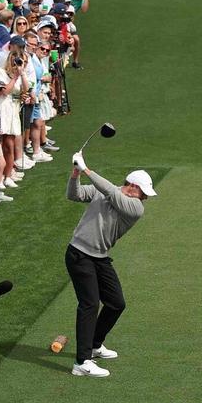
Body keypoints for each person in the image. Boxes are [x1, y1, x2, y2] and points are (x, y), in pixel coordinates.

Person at [64, 150, 154, 377]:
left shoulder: (135, 208)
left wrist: (87, 168)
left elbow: (112, 192)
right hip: (79, 254)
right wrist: (76, 174)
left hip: (99, 257)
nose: (144, 198)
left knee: (116, 303)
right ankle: (81, 362)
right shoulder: (103, 191)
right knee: (90, 304)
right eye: (143, 193)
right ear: (133, 186)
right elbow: (73, 195)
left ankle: (94, 344)